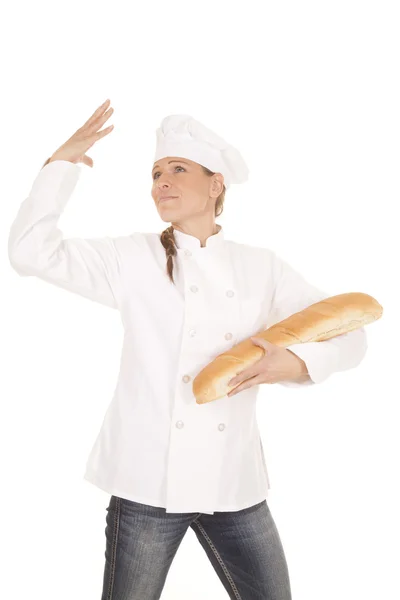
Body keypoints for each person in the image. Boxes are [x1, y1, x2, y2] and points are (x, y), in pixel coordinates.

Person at [8, 99, 368, 600]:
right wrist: (60, 165)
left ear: (216, 183)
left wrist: (295, 363)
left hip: (235, 486)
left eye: (178, 169)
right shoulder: (131, 257)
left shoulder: (262, 267)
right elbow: (30, 252)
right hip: (145, 487)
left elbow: (351, 330)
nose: (163, 182)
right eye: (156, 174)